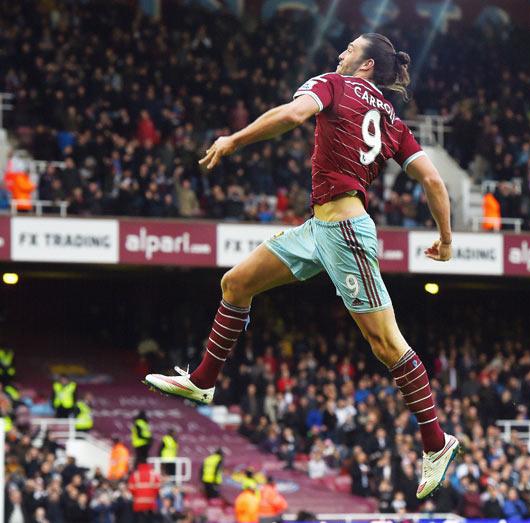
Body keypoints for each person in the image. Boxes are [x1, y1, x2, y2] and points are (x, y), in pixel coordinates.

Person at [145, 32, 459, 499]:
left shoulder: (333, 83)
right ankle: (203, 381)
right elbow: (433, 179)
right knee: (236, 283)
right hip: (318, 228)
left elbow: (292, 115)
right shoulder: (394, 120)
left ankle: (436, 442)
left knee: (386, 345)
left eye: (351, 49)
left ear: (367, 64)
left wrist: (235, 139)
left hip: (346, 231)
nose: (341, 53)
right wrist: (446, 239)